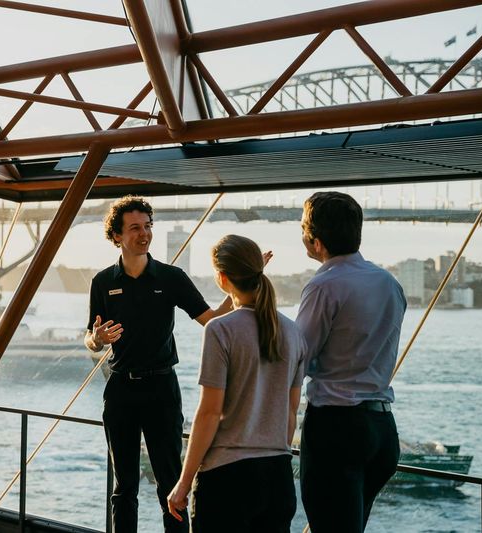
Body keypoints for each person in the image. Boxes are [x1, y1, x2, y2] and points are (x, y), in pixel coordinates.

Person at [84, 195, 234, 533]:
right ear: (117, 237)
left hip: (161, 389)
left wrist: (241, 288)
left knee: (170, 483)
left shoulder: (171, 278)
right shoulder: (103, 282)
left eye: (148, 226)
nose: (144, 233)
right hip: (120, 388)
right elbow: (91, 339)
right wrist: (98, 339)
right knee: (124, 489)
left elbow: (211, 320)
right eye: (135, 228)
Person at [166, 235, 305, 533]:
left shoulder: (220, 329)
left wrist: (184, 482)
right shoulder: (294, 333)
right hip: (278, 477)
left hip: (227, 479)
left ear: (222, 277)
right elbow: (291, 413)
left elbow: (209, 413)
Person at [296, 191, 406, 533]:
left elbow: (299, 357)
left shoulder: (324, 286)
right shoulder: (389, 283)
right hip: (382, 430)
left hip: (336, 428)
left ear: (314, 241)